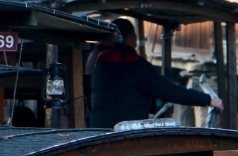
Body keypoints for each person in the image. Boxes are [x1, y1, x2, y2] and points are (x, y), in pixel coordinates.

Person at [89, 18, 224, 128]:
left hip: (98, 128)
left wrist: (141, 114)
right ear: (131, 36)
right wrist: (208, 100)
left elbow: (116, 99)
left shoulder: (100, 64)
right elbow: (171, 91)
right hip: (123, 132)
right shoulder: (136, 66)